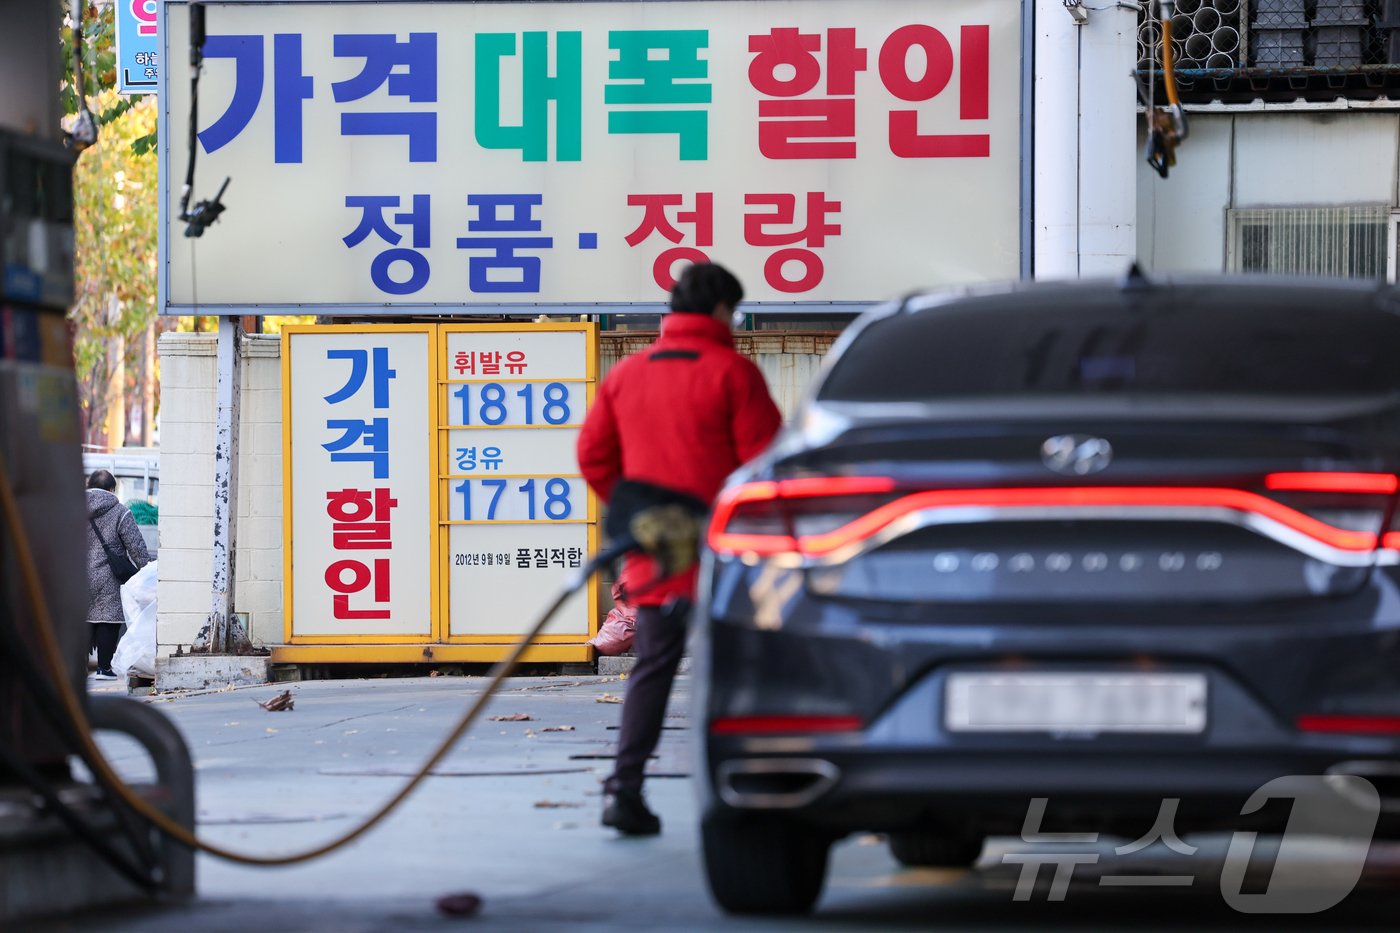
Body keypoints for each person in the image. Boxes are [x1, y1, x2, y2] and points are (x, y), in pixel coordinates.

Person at [577, 263, 782, 835]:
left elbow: (593, 456)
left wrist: (643, 513)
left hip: (657, 556)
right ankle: (748, 795)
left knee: (653, 669)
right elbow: (765, 469)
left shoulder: (628, 375)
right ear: (721, 311)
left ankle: (624, 790)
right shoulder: (733, 374)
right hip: (729, 561)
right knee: (742, 673)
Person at [86, 470, 151, 681]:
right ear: (112, 489)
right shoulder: (120, 512)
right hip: (108, 577)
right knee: (108, 619)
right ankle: (104, 668)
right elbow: (137, 548)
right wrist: (149, 573)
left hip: (79, 575)